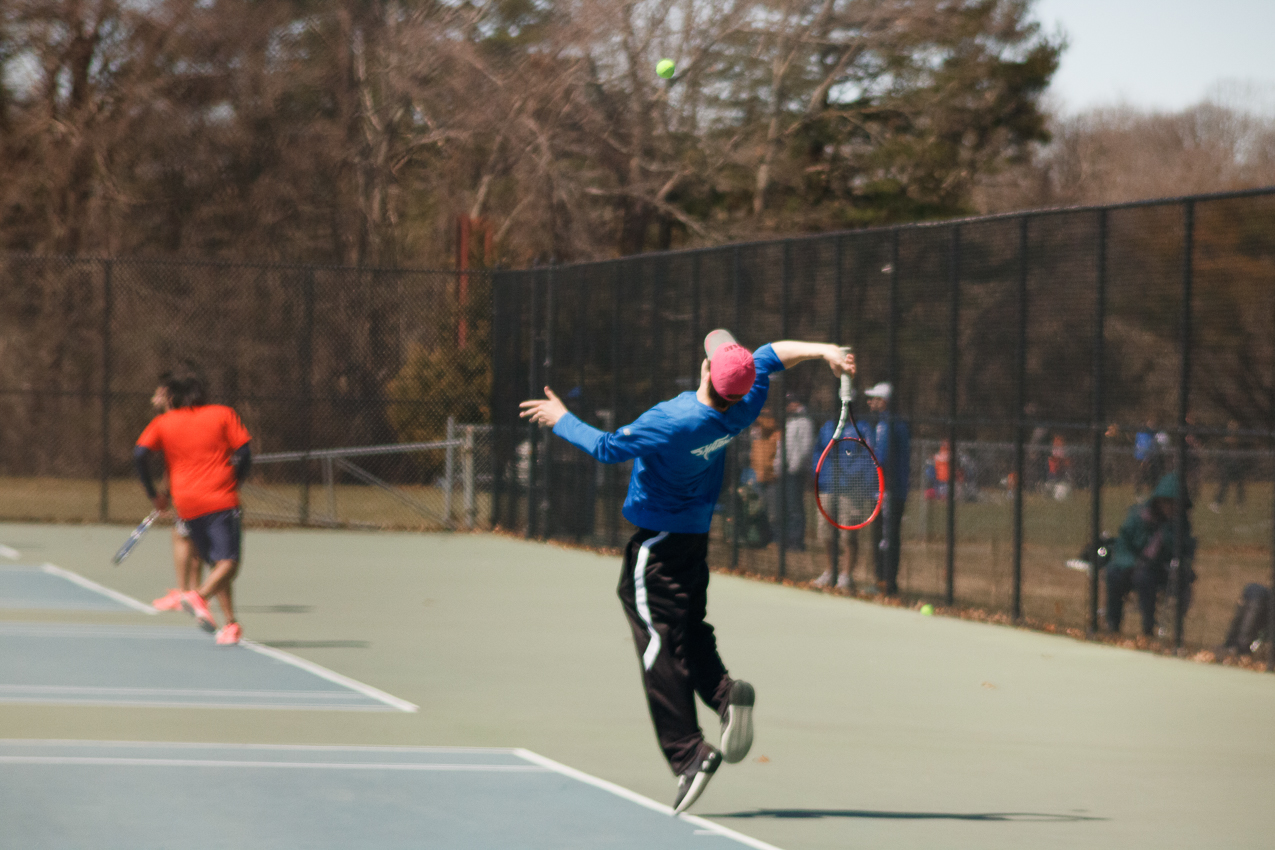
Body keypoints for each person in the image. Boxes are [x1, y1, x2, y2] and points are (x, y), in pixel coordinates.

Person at [519, 330, 854, 813]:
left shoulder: (673, 420)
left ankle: (688, 753)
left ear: (705, 372)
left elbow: (610, 447)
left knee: (656, 642)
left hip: (656, 542)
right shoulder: (745, 402)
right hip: (693, 538)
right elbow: (770, 355)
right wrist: (823, 351)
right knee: (687, 628)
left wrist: (562, 419)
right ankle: (724, 693)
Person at [133, 368, 252, 645]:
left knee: (215, 563)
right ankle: (197, 596)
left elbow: (139, 454)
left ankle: (231, 624)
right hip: (220, 499)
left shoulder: (164, 422)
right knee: (229, 564)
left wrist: (153, 494)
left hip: (186, 503)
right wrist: (236, 481)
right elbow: (244, 452)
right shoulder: (223, 414)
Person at [1104, 472, 1196, 637]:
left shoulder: (1180, 525)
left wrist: (1167, 530)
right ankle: (1113, 624)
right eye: (1166, 502)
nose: (1170, 507)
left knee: (1144, 578)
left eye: (1174, 503)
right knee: (1113, 573)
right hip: (1132, 565)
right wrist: (1130, 563)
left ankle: (1148, 628)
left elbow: (1182, 551)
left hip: (1161, 571)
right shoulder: (1138, 518)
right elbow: (1123, 545)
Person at [145, 376, 206, 613]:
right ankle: (192, 591)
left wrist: (161, 493)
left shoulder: (171, 422)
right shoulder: (175, 422)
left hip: (191, 490)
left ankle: (187, 593)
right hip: (188, 487)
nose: (154, 398)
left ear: (169, 397)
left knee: (186, 538)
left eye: (159, 393)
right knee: (191, 539)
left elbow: (144, 456)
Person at [864, 383, 910, 596]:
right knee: (887, 535)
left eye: (874, 398)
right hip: (891, 489)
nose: (869, 402)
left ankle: (885, 583)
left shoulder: (887, 425)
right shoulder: (890, 423)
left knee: (884, 536)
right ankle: (884, 581)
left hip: (888, 491)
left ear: (884, 402)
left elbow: (881, 458)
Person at [775, 393, 814, 550]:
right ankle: (786, 539)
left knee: (795, 506)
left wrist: (795, 466)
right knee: (785, 505)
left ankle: (796, 541)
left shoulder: (805, 421)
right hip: (785, 468)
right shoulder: (791, 420)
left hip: (794, 471)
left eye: (790, 402)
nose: (787, 406)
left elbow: (805, 447)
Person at [1210, 420, 1246, 513]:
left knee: (1240, 484)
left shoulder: (1239, 438)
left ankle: (1240, 504)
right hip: (1228, 464)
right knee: (1224, 484)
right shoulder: (1225, 438)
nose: (1233, 427)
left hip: (1236, 464)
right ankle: (1217, 503)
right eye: (1231, 426)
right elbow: (1221, 451)